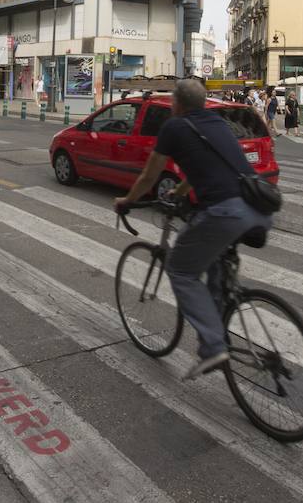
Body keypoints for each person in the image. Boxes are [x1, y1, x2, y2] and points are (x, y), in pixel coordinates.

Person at [114, 78, 273, 381]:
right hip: (258, 207)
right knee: (215, 270)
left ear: (178, 103)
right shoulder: (216, 122)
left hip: (226, 212)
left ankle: (214, 346)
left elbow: (149, 176)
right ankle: (219, 328)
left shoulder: (175, 127)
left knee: (181, 271)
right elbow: (208, 167)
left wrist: (127, 200)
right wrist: (180, 191)